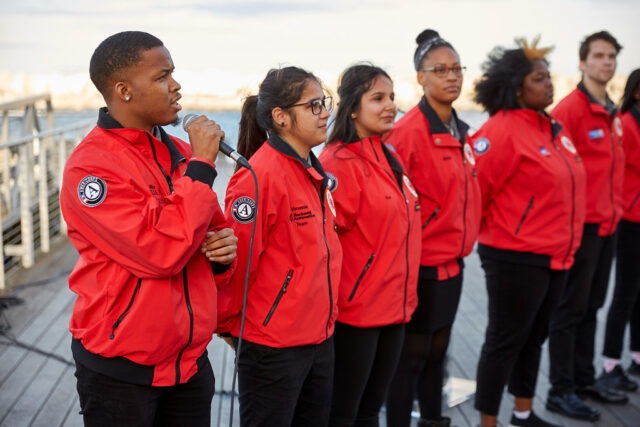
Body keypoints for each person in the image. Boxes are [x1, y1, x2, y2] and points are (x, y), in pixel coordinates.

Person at [59, 31, 238, 426]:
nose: (176, 86)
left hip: (189, 363)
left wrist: (223, 252)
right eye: (162, 77)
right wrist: (203, 168)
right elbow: (161, 252)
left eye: (173, 75)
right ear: (123, 90)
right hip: (121, 370)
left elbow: (212, 237)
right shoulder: (91, 168)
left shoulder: (183, 154)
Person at [217, 66, 343, 427]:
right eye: (314, 105)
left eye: (325, 102)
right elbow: (235, 267)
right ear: (281, 117)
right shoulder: (258, 179)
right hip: (272, 346)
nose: (325, 113)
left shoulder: (312, 171)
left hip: (320, 338)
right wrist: (230, 329)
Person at [471, 36, 587, 427]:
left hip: (556, 254)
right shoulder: (499, 131)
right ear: (517, 85)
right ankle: (488, 421)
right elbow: (476, 193)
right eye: (539, 78)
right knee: (504, 342)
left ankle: (523, 413)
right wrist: (506, 232)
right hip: (514, 256)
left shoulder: (552, 127)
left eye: (549, 76)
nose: (550, 83)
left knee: (534, 337)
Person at [384, 29, 482, 427]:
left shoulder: (461, 131)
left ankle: (433, 420)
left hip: (454, 265)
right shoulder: (406, 134)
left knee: (439, 355)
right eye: (440, 70)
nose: (451, 76)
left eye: (457, 68)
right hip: (419, 266)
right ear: (420, 78)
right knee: (410, 359)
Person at [317, 63, 421, 426]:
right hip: (356, 314)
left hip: (395, 307)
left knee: (369, 411)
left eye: (392, 96)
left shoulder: (389, 156)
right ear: (353, 108)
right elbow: (324, 242)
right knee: (343, 413)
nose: (390, 105)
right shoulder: (339, 162)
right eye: (378, 97)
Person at [546, 30, 627, 421]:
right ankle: (560, 390)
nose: (606, 62)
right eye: (598, 55)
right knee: (569, 310)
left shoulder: (611, 110)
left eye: (612, 56)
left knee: (592, 306)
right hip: (581, 229)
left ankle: (583, 378)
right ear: (583, 61)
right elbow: (553, 170)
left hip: (609, 225)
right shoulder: (570, 110)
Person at [598, 68, 640, 391]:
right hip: (628, 220)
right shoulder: (625, 123)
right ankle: (611, 362)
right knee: (625, 292)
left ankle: (637, 356)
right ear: (636, 92)